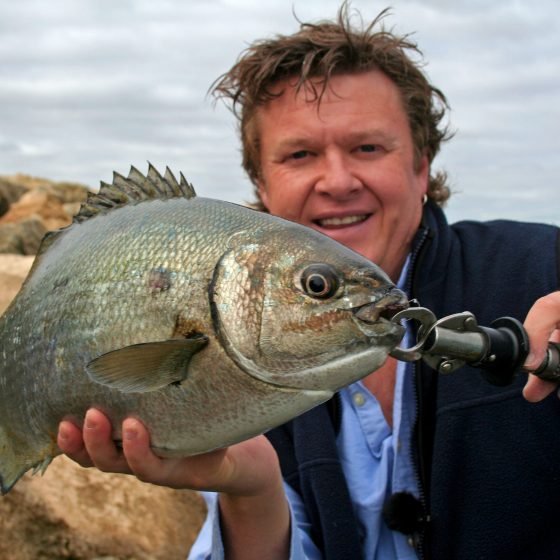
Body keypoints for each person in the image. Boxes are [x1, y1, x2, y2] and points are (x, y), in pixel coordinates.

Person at [57, 5, 560, 559]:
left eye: (368, 148)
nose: (338, 181)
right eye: (300, 155)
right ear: (262, 186)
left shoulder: (541, 267)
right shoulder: (233, 340)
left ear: (421, 167)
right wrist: (251, 489)